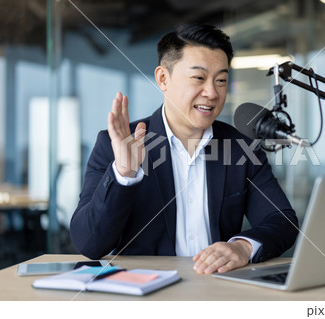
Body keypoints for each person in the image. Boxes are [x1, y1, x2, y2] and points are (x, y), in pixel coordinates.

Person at [70, 24, 298, 274]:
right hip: (145, 294)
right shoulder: (116, 144)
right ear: (163, 79)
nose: (211, 92)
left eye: (221, 80)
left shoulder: (241, 148)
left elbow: (282, 220)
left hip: (218, 287)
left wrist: (243, 247)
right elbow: (90, 244)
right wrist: (124, 174)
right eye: (198, 78)